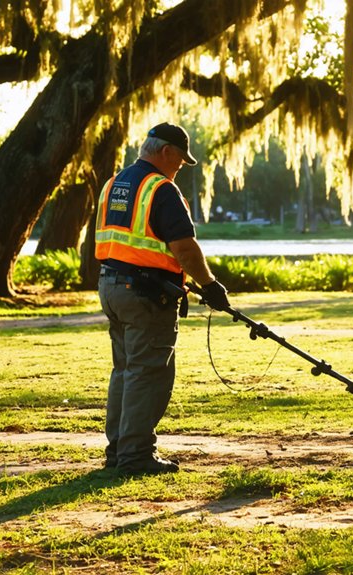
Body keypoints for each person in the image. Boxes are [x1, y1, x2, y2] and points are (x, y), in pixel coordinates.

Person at [95, 122, 231, 475]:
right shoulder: (161, 189)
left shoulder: (115, 184)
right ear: (166, 152)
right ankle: (136, 455)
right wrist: (210, 285)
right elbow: (184, 248)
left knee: (125, 371)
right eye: (180, 161)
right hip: (145, 297)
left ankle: (119, 451)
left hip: (112, 286)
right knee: (148, 373)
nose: (180, 169)